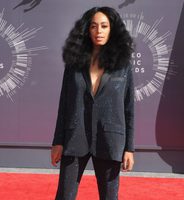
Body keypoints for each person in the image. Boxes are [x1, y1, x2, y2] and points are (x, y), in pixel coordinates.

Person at [51, 6, 134, 200]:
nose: (99, 31)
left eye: (104, 26)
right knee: (64, 196)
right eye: (94, 27)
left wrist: (129, 148)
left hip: (110, 139)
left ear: (112, 29)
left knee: (109, 197)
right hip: (75, 137)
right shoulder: (74, 64)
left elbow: (129, 108)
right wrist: (58, 141)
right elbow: (64, 104)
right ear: (87, 30)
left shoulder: (123, 65)